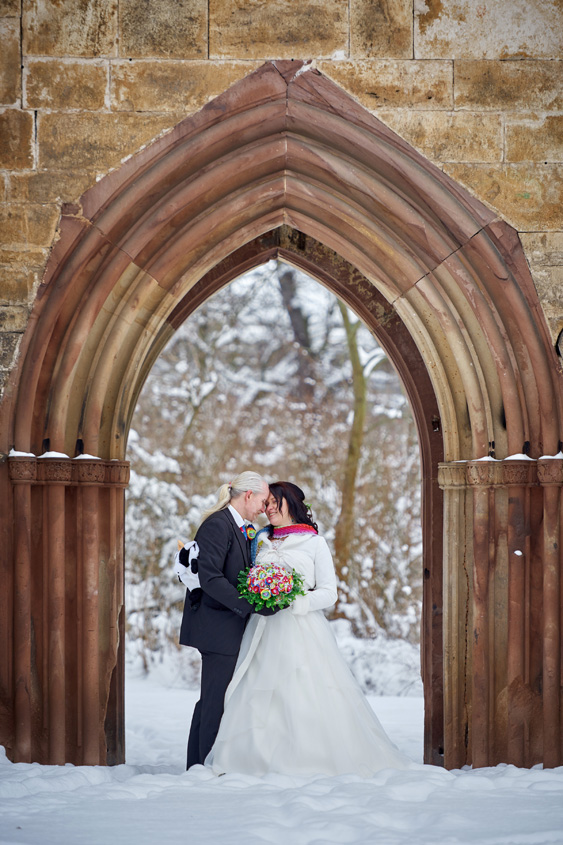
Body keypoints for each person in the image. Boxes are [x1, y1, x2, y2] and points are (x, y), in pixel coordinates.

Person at [205, 481, 412, 777]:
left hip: (301, 630)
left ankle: (310, 760)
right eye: (267, 503)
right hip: (262, 627)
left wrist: (294, 600)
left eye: (276, 501)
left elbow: (330, 593)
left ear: (293, 503)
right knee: (257, 693)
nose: (269, 507)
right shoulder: (259, 540)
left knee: (302, 694)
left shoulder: (314, 543)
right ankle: (250, 760)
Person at [179, 470, 274, 769]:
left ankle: (198, 763)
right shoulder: (218, 525)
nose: (264, 507)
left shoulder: (239, 527)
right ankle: (203, 767)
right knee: (214, 701)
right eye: (262, 500)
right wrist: (249, 605)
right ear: (248, 496)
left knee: (214, 699)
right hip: (216, 628)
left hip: (226, 627)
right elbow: (210, 578)